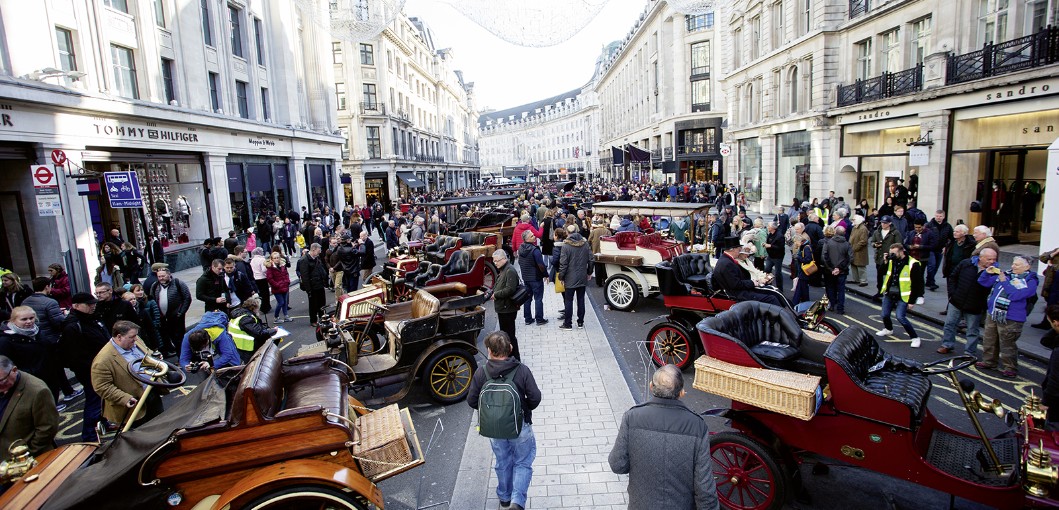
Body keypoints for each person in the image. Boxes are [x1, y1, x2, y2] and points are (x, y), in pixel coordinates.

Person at [609, 364, 718, 510]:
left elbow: (617, 465)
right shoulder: (697, 426)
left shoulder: (632, 417)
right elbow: (704, 488)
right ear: (681, 393)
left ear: (651, 387)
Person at [465, 331, 541, 510]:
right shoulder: (522, 370)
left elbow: (471, 401)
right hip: (519, 425)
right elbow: (535, 397)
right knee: (522, 461)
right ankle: (517, 501)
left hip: (494, 429)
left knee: (502, 460)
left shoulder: (481, 372)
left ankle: (504, 497)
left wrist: (492, 413)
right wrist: (524, 409)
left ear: (489, 351)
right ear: (511, 348)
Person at [91, 321, 163, 429]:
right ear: (119, 337)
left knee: (161, 427)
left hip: (151, 394)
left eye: (136, 336)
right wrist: (124, 398)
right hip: (133, 406)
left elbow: (147, 352)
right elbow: (102, 387)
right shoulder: (102, 360)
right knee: (142, 437)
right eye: (132, 337)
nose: (135, 339)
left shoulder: (136, 341)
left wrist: (155, 358)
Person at [977, 256, 1039, 378]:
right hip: (994, 313)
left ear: (1027, 267)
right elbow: (983, 282)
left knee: (1007, 343)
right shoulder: (1006, 275)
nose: (1012, 267)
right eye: (1013, 263)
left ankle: (1010, 367)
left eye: (1017, 265)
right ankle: (989, 361)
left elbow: (1016, 295)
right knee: (989, 339)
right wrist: (986, 273)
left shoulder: (1030, 281)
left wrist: (1004, 281)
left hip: (1012, 317)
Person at [60, 292, 110, 441]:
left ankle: (103, 423)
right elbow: (74, 355)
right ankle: (89, 436)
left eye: (93, 303)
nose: (92, 306)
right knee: (94, 401)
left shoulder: (91, 318)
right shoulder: (73, 326)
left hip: (100, 366)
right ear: (75, 306)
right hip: (90, 370)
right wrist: (93, 368)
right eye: (88, 304)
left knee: (102, 399)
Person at [937, 248, 997, 356]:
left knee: (972, 330)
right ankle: (947, 345)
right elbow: (953, 277)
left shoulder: (994, 272)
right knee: (950, 324)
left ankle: (969, 352)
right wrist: (952, 294)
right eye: (989, 259)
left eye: (994, 259)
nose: (992, 262)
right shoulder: (966, 263)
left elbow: (991, 290)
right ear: (981, 257)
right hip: (957, 301)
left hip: (975, 305)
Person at [0, 355, 59, 457]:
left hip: (29, 460)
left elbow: (47, 429)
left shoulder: (37, 391)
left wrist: (26, 454)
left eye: (2, 382)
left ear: (14, 370)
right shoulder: (3, 381)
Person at [876, 243, 925, 348]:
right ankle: (888, 329)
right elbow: (881, 272)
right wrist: (885, 261)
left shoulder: (913, 264)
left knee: (900, 317)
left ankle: (915, 338)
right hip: (889, 293)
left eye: (894, 253)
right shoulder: (891, 260)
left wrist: (912, 301)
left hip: (903, 295)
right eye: (891, 253)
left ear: (901, 251)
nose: (892, 255)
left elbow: (918, 284)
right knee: (884, 315)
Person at [713, 245, 784, 307]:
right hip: (738, 295)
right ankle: (781, 318)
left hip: (739, 290)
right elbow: (736, 284)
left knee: (772, 290)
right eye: (738, 249)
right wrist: (753, 282)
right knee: (772, 298)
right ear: (732, 249)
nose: (739, 251)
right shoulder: (727, 263)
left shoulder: (726, 260)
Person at [150, 267, 191, 357]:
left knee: (179, 338)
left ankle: (182, 356)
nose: (161, 278)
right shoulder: (155, 286)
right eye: (159, 276)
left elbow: (187, 298)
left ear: (169, 275)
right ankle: (172, 352)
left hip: (176, 316)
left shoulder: (178, 283)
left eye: (163, 276)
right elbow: (152, 299)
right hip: (162, 318)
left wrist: (181, 312)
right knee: (167, 336)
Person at [558, 225, 592, 330]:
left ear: (567, 233)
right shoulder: (585, 244)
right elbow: (591, 259)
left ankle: (568, 323)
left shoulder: (566, 246)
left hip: (569, 277)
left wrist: (561, 277)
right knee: (581, 299)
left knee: (568, 301)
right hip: (582, 275)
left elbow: (563, 264)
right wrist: (589, 272)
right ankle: (580, 322)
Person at [490, 249, 522, 360]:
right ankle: (510, 356)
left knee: (509, 336)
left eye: (497, 261)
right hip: (503, 308)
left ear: (504, 259)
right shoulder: (504, 269)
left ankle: (515, 358)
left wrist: (496, 295)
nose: (495, 263)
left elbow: (510, 289)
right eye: (494, 261)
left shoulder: (510, 270)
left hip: (507, 309)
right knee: (506, 335)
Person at [228, 297, 278, 362]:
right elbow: (259, 333)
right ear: (253, 308)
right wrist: (274, 331)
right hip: (247, 346)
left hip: (239, 345)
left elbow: (256, 327)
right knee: (253, 363)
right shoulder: (246, 318)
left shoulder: (241, 314)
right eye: (258, 308)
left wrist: (267, 329)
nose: (258, 310)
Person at [517, 231, 548, 326]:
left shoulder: (520, 248)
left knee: (527, 299)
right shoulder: (535, 250)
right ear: (527, 239)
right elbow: (541, 265)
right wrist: (546, 275)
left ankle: (528, 319)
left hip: (526, 277)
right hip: (536, 278)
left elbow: (519, 262)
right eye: (532, 236)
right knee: (538, 299)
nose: (534, 237)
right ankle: (539, 319)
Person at [821, 226, 852, 314]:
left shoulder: (828, 242)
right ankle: (840, 309)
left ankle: (832, 305)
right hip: (842, 272)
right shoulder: (847, 244)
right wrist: (840, 268)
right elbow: (850, 258)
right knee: (841, 290)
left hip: (829, 271)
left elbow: (824, 256)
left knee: (830, 288)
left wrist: (831, 268)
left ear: (835, 232)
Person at [297, 243, 330, 327]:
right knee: (313, 305)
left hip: (319, 284)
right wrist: (309, 290)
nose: (320, 252)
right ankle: (313, 320)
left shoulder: (317, 258)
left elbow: (321, 269)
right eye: (319, 250)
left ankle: (322, 318)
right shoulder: (304, 260)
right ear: (313, 249)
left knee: (322, 303)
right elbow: (305, 276)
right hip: (312, 287)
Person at [869, 216, 902, 297]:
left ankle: (888, 291)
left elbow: (899, 244)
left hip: (890, 258)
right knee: (879, 275)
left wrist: (893, 252)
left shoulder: (895, 233)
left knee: (890, 275)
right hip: (879, 257)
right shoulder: (877, 232)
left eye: (885, 223)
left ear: (890, 223)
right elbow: (872, 241)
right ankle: (879, 291)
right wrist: (875, 245)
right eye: (882, 222)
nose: (883, 224)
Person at [1040, 305, 1059, 425]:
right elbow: (1046, 341)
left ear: (1055, 322)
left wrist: (1045, 403)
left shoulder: (1058, 352)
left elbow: (1055, 381)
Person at [129, 284, 162, 351]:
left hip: (151, 328)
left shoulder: (149, 301)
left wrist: (154, 324)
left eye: (142, 290)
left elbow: (156, 315)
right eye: (138, 290)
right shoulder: (132, 307)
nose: (141, 292)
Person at [926, 210, 953, 291]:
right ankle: (931, 282)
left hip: (940, 249)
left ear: (944, 217)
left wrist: (946, 247)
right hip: (930, 249)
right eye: (937, 216)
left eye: (940, 216)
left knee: (936, 267)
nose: (938, 218)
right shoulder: (929, 225)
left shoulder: (947, 226)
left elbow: (951, 238)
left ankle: (929, 280)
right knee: (932, 265)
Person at [266, 252, 292, 323]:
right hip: (277, 288)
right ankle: (276, 317)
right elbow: (270, 279)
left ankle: (286, 315)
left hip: (284, 286)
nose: (277, 259)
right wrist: (277, 285)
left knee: (285, 302)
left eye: (278, 258)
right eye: (275, 258)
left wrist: (287, 281)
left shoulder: (282, 266)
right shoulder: (270, 268)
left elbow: (286, 274)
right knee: (281, 302)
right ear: (272, 259)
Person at [764, 221, 786, 293]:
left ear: (773, 228)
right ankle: (768, 285)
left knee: (777, 273)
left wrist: (770, 246)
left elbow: (780, 247)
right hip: (770, 256)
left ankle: (780, 289)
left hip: (778, 257)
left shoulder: (780, 236)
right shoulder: (770, 234)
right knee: (767, 270)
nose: (767, 227)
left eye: (768, 226)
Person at [848, 215, 869, 287]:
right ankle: (856, 279)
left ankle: (863, 280)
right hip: (853, 249)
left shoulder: (863, 229)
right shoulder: (854, 228)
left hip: (860, 251)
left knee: (860, 266)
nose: (852, 221)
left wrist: (854, 248)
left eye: (854, 220)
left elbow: (863, 241)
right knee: (854, 265)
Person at [249, 248, 271, 316]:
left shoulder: (252, 260)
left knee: (261, 293)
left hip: (256, 278)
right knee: (266, 293)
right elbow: (264, 269)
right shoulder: (262, 259)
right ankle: (266, 307)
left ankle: (262, 306)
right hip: (262, 278)